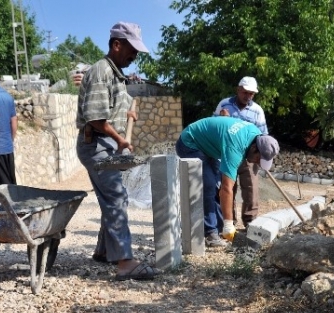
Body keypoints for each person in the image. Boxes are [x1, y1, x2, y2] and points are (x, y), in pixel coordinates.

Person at [75, 21, 158, 280]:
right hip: (97, 145)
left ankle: (104, 252)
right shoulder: (102, 71)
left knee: (110, 198)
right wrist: (121, 140)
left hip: (104, 144)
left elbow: (110, 108)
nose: (134, 56)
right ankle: (124, 262)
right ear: (116, 44)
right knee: (116, 198)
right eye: (131, 50)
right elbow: (95, 119)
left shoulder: (116, 74)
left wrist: (127, 113)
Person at [175, 116, 279, 245]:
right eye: (259, 159)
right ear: (253, 149)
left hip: (210, 147)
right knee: (209, 185)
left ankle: (218, 229)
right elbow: (227, 188)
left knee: (217, 184)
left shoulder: (256, 136)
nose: (258, 163)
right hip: (190, 143)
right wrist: (229, 225)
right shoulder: (235, 148)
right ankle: (210, 233)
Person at [214, 76, 268, 229]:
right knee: (227, 188)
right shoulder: (224, 105)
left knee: (251, 190)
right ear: (238, 90)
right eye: (245, 92)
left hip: (249, 157)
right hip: (228, 154)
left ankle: (250, 224)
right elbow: (214, 126)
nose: (248, 96)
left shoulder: (257, 111)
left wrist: (261, 156)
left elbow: (263, 136)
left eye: (251, 94)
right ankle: (229, 222)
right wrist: (223, 119)